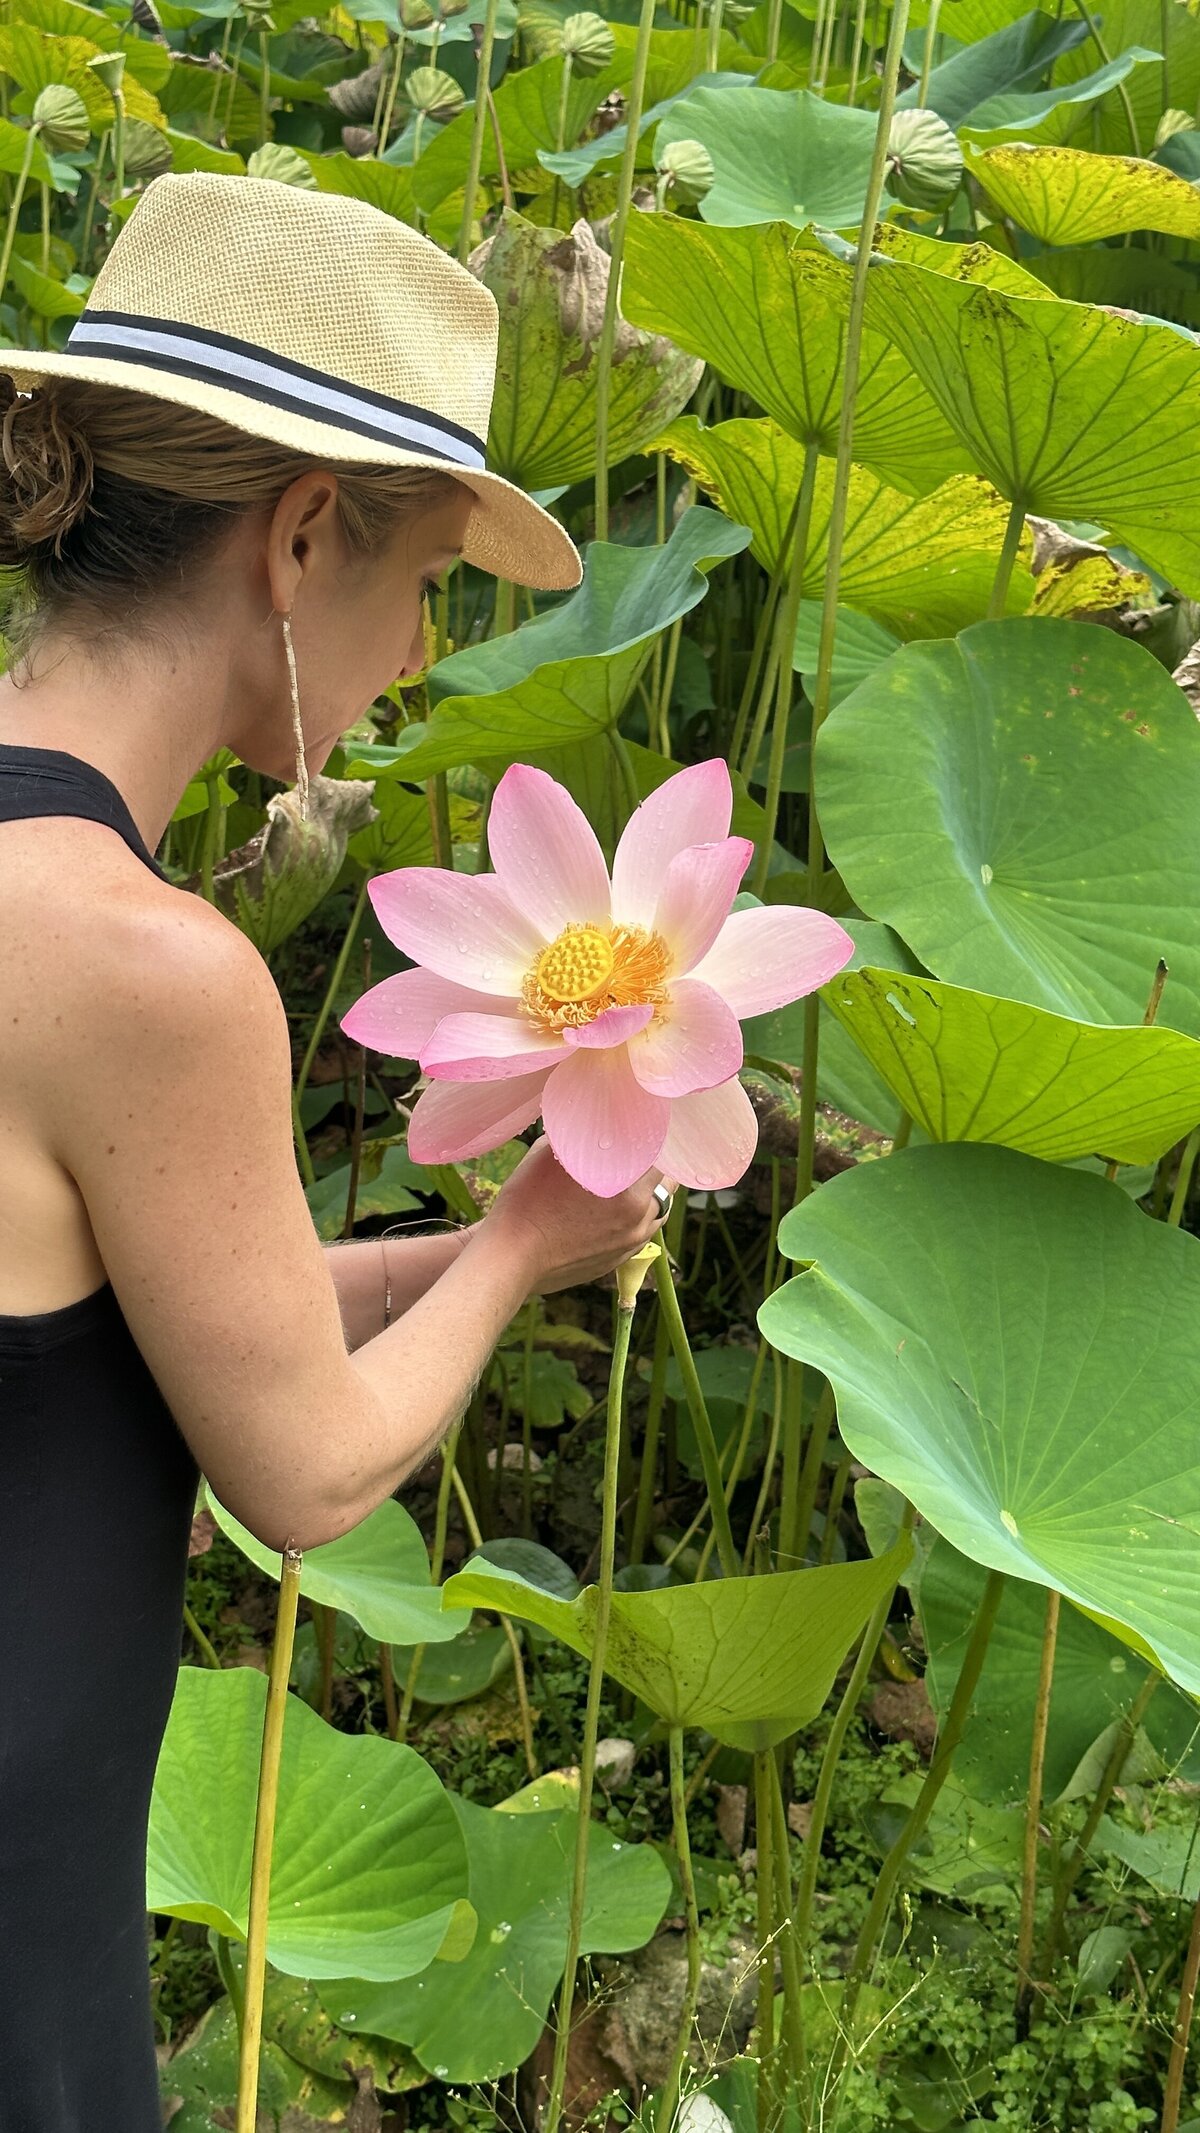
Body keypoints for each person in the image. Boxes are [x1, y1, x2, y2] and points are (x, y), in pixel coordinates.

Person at [0, 172, 667, 2133]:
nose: (424, 634)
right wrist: (527, 1232)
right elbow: (299, 1464)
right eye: (427, 573)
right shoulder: (148, 966)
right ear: (300, 539)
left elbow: (102, 1338)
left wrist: (461, 1253)